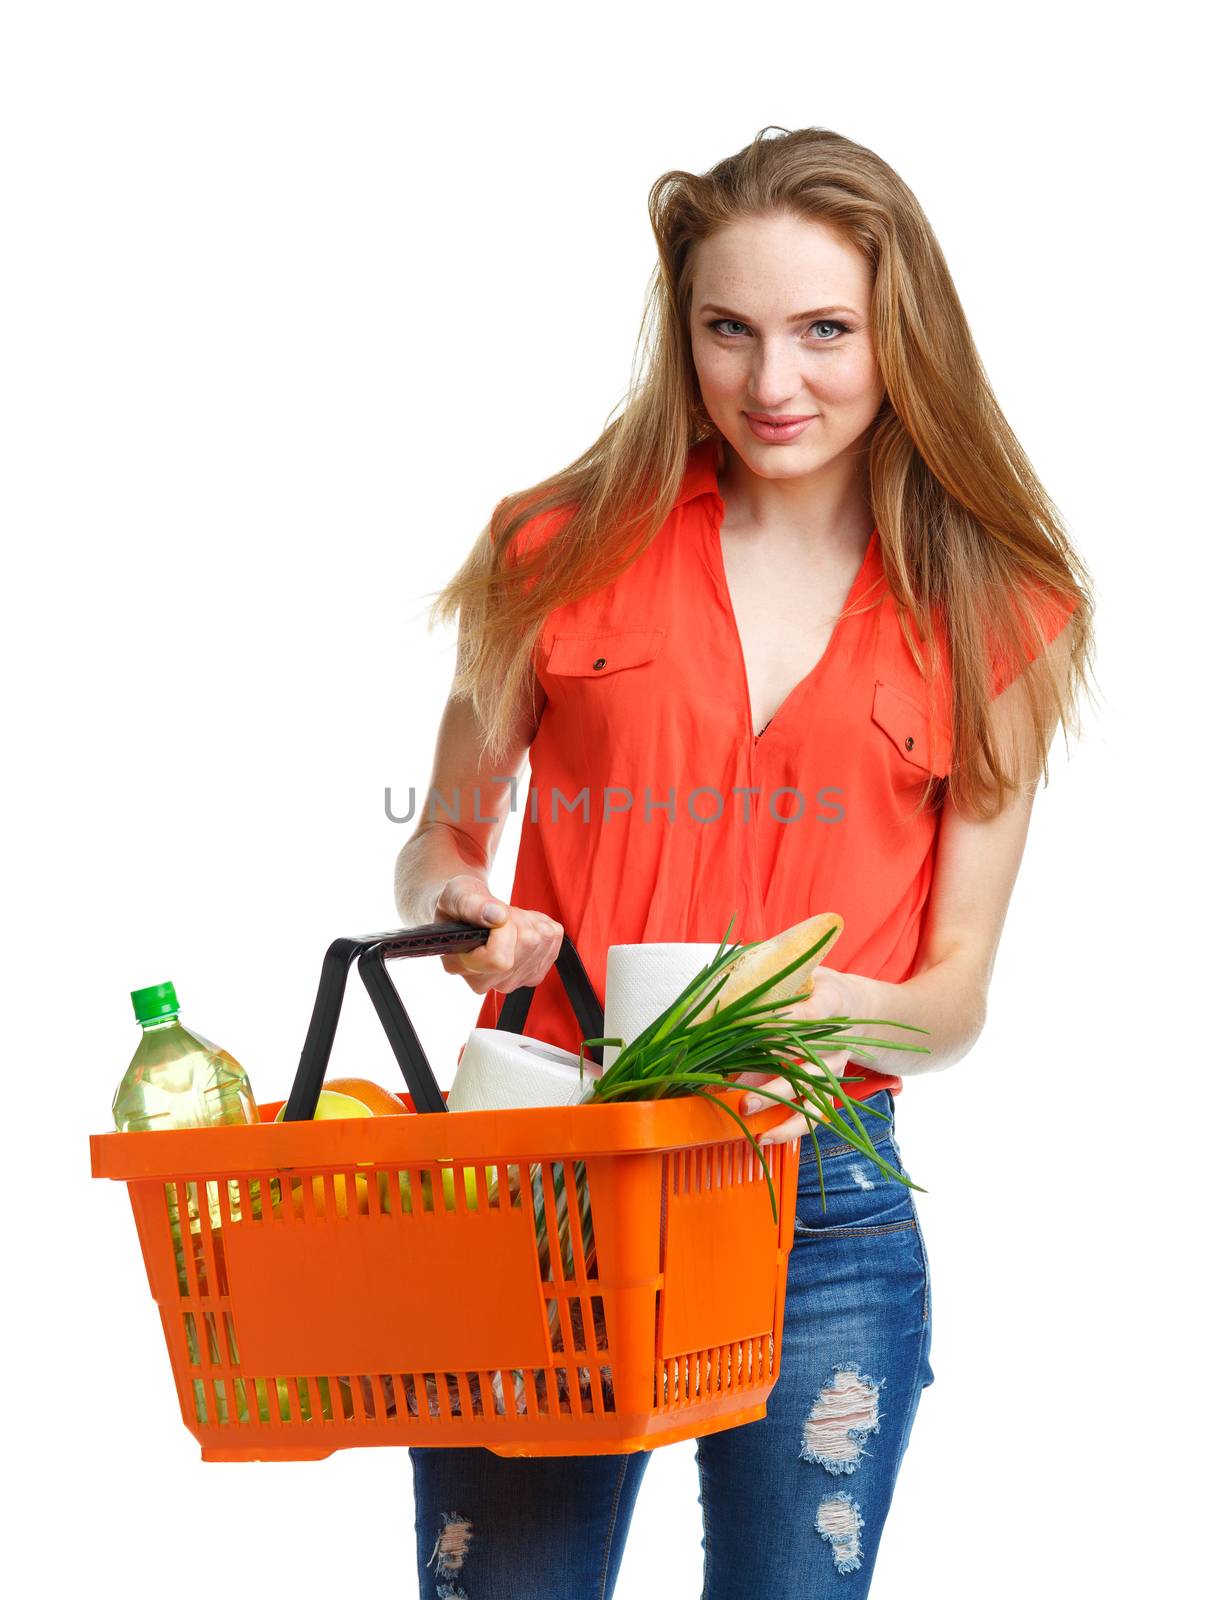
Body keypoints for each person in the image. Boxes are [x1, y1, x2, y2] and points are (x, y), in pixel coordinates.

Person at [393, 124, 1095, 1599]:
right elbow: (443, 835)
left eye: (822, 332)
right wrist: (460, 910)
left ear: (899, 331)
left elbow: (954, 993)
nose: (772, 385)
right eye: (729, 331)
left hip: (819, 1204)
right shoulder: (554, 547)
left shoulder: (998, 610)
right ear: (684, 334)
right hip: (545, 1177)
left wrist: (782, 1013)